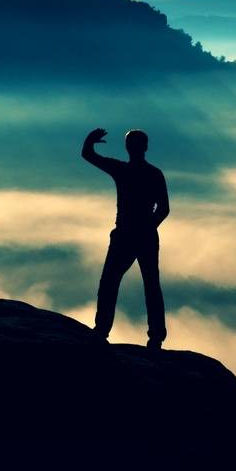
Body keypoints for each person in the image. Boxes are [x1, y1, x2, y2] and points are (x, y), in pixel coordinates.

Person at [81, 127, 169, 347]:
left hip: (130, 234)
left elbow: (164, 208)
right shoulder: (146, 172)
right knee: (146, 284)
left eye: (134, 144)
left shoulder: (125, 170)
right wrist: (149, 226)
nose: (133, 148)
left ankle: (103, 330)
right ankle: (153, 336)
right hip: (138, 235)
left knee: (114, 281)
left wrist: (90, 141)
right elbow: (164, 208)